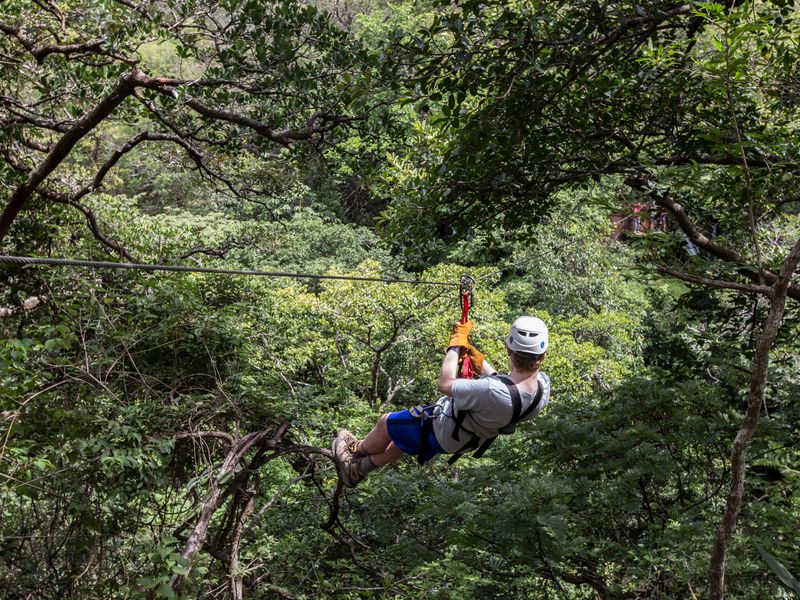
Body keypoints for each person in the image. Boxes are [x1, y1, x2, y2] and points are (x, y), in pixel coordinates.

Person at [332, 316, 552, 488]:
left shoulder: (489, 390)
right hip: (466, 439)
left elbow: (445, 383)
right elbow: (509, 390)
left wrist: (454, 346)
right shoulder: (543, 388)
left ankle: (355, 452)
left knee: (386, 423)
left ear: (509, 350)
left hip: (443, 427)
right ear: (542, 355)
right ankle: (359, 470)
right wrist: (481, 362)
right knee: (401, 442)